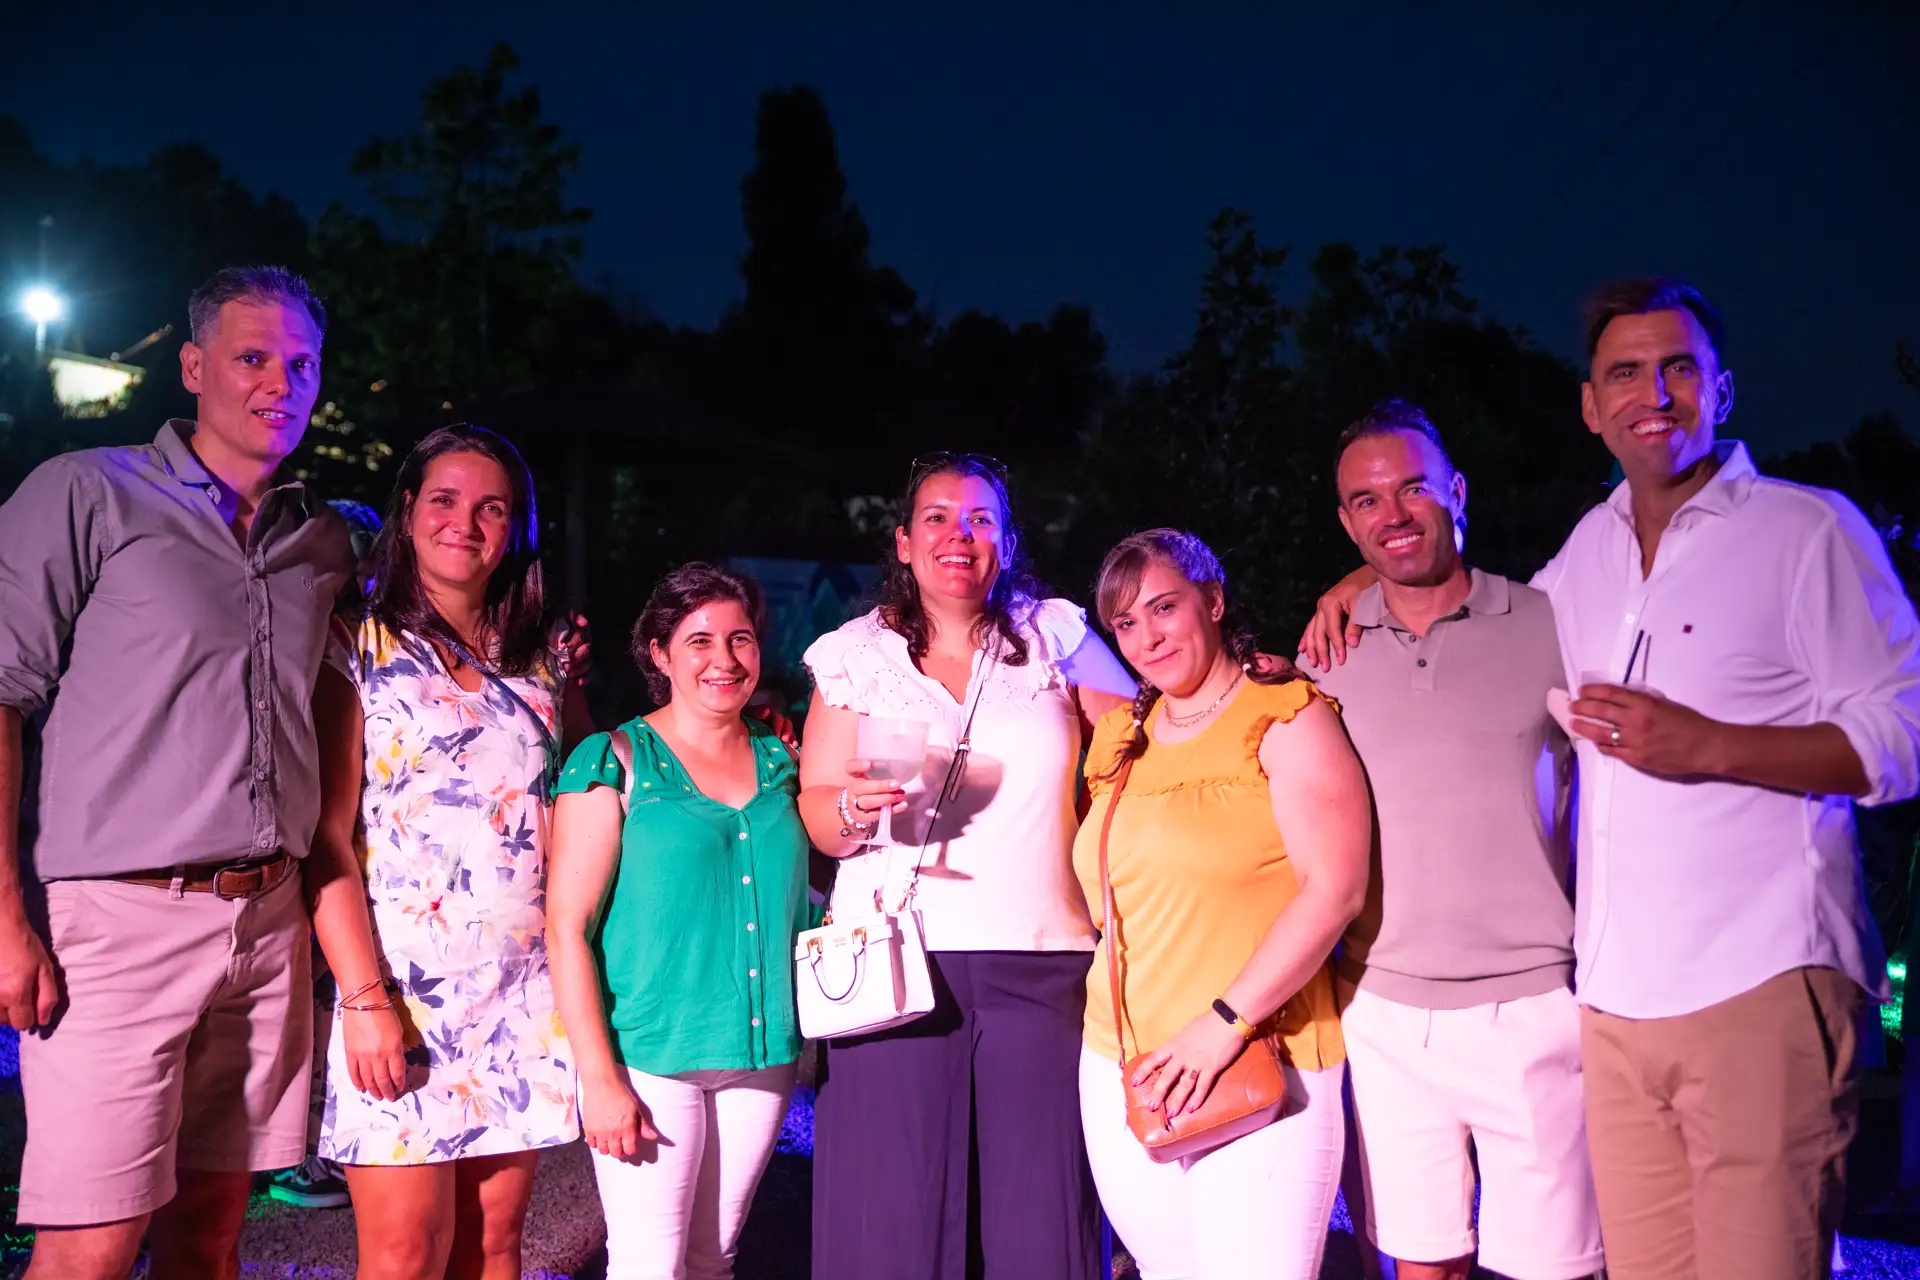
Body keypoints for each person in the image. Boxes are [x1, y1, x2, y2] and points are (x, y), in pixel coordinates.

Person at [1300, 279, 1920, 1279]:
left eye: (1679, 367)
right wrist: (1358, 583)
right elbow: (1444, 599)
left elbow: (1905, 733)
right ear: (1592, 406)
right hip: (1618, 999)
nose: (1654, 392)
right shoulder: (1587, 556)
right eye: (1626, 371)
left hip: (1762, 975)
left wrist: (1711, 744)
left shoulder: (1807, 531)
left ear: (1722, 387)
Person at [0, 265, 353, 1278]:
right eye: (253, 357)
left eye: (301, 364)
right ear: (193, 367)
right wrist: (4, 915)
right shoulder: (86, 493)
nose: (280, 382)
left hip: (269, 922)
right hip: (118, 923)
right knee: (90, 1247)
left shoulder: (320, 538)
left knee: (211, 1234)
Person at [798, 452, 1136, 1280]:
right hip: (891, 961)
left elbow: (1145, 745)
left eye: (982, 519)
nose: (960, 534)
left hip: (1044, 960)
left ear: (1007, 541)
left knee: (1041, 1221)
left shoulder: (1056, 636)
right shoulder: (853, 655)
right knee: (892, 1225)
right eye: (939, 518)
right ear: (905, 542)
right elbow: (818, 808)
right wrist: (853, 811)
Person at [1305, 400, 1602, 1280]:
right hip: (1384, 1009)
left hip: (1536, 1002)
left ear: (1458, 491)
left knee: (1555, 1269)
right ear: (1347, 522)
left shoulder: (1553, 621)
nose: (1392, 515)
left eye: (1413, 489)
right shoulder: (1326, 656)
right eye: (1366, 500)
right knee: (1422, 1266)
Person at [309, 424, 590, 1280]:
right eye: (444, 499)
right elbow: (325, 839)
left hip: (522, 998)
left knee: (494, 1249)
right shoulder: (354, 645)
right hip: (401, 998)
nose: (465, 523)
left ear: (517, 528)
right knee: (404, 1256)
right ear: (407, 510)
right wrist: (363, 1000)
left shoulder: (543, 659)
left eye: (491, 507)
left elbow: (584, 805)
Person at [1074, 528, 1370, 1280]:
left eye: (1164, 607)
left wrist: (1222, 1024)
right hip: (1124, 1065)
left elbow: (1336, 890)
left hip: (1255, 1053)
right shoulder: (1121, 738)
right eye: (1125, 623)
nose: (1146, 637)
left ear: (1212, 600)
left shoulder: (1286, 715)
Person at [548, 562, 809, 1280]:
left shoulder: (785, 763)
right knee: (649, 1267)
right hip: (649, 1059)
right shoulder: (613, 760)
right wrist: (599, 1078)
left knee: (712, 1261)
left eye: (740, 639)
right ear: (659, 654)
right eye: (699, 641)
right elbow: (565, 929)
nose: (724, 659)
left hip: (762, 1056)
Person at [268, 496, 386, 1212]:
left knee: (318, 998)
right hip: (307, 836)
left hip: (343, 841)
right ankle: (303, 1151)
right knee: (309, 1001)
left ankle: (311, 1149)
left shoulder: (359, 635)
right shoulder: (316, 633)